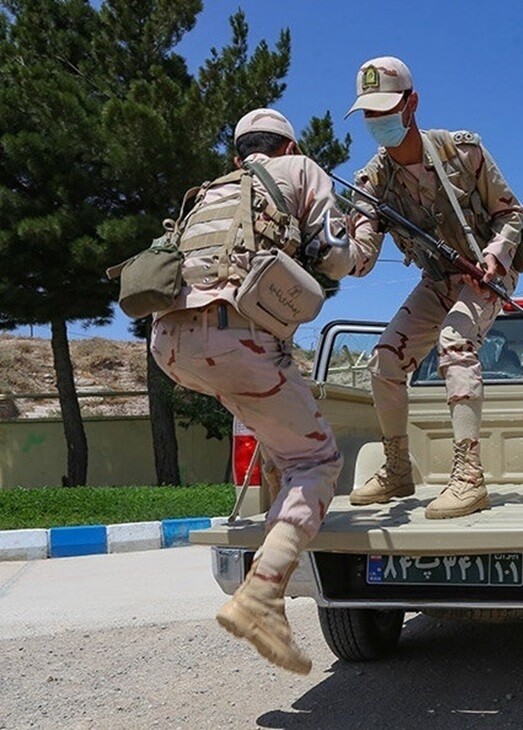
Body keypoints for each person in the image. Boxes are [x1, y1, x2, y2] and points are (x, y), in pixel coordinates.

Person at [150, 108, 377, 674]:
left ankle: (275, 551)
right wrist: (363, 236)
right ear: (291, 145)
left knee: (278, 434)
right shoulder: (301, 169)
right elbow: (334, 257)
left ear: (238, 156)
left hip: (170, 345)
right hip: (236, 342)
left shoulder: (211, 191)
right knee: (318, 461)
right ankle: (262, 595)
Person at [343, 56, 523, 519]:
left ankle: (468, 478)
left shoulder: (461, 152)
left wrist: (494, 255)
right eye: (369, 113)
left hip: (489, 273)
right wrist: (333, 247)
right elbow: (360, 257)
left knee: (455, 342)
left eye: (386, 109)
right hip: (438, 280)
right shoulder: (371, 182)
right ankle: (397, 467)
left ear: (412, 103)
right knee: (385, 359)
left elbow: (512, 214)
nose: (378, 121)